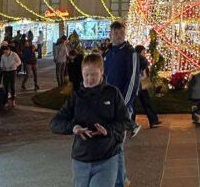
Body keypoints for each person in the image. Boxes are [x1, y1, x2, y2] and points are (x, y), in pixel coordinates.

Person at [50, 53, 131, 187]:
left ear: (102, 72)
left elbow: (125, 121)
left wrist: (108, 130)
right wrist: (73, 128)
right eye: (86, 74)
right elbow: (55, 123)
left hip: (107, 157)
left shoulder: (112, 93)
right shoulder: (77, 96)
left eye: (94, 74)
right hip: (81, 159)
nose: (89, 79)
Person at [102, 21, 140, 187]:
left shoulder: (130, 53)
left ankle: (120, 181)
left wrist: (124, 105)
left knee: (117, 145)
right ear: (110, 34)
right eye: (115, 33)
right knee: (113, 145)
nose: (118, 36)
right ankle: (121, 178)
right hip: (108, 105)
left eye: (121, 33)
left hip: (121, 106)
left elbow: (133, 81)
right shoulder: (108, 53)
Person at [133, 46, 161, 129]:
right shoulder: (137, 61)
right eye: (143, 52)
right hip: (137, 85)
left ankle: (153, 120)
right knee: (135, 105)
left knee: (147, 102)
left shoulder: (142, 60)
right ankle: (132, 123)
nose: (144, 54)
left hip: (143, 85)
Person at [0, 42, 22, 107]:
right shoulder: (3, 56)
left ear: (9, 50)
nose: (5, 53)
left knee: (12, 86)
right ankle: (6, 101)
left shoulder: (14, 54)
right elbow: (1, 64)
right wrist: (2, 67)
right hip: (5, 72)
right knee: (5, 87)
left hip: (12, 71)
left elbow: (19, 62)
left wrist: (15, 65)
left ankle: (13, 101)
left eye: (6, 52)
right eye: (4, 52)